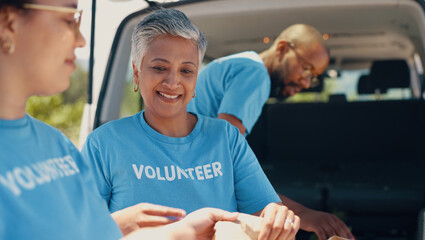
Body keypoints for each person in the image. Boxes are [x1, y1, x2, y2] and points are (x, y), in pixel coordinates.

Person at [0, 0, 240, 239]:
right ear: (8, 22)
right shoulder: (97, 143)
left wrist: (181, 231)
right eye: (69, 19)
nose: (81, 40)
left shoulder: (57, 146)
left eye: (187, 70)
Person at [81, 8, 300, 240]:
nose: (173, 82)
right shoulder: (103, 143)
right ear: (136, 73)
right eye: (159, 68)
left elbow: (263, 215)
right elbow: (77, 229)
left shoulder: (226, 137)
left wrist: (277, 217)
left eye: (186, 70)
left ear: (196, 78)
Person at [186, 24, 355, 240]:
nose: (306, 83)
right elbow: (225, 164)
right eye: (306, 69)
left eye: (313, 77)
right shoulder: (256, 75)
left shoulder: (242, 64)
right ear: (283, 49)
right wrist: (303, 215)